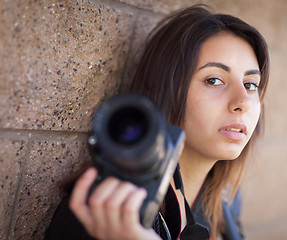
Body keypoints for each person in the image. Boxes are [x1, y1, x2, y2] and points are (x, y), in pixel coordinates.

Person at [45, 4, 269, 240]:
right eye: (214, 80)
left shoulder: (226, 202)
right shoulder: (111, 208)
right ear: (168, 91)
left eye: (251, 84)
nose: (242, 101)